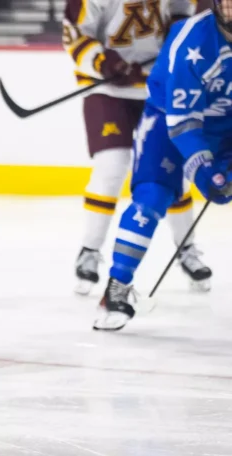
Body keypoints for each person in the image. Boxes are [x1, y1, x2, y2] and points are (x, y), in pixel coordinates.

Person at [94, 1, 232, 331]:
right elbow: (183, 120)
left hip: (226, 128)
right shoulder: (194, 42)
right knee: (152, 197)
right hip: (169, 123)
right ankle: (117, 285)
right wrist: (203, 168)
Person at [62, 0, 212, 295]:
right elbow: (76, 34)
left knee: (172, 171)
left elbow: (183, 14)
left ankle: (186, 247)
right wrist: (104, 62)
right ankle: (90, 251)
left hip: (157, 85)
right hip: (106, 88)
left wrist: (176, 40)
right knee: (112, 166)